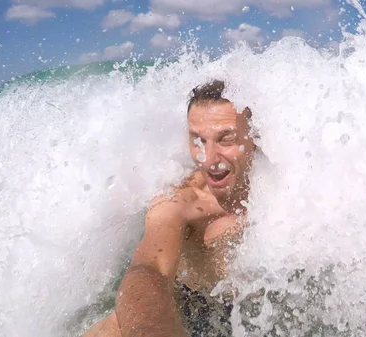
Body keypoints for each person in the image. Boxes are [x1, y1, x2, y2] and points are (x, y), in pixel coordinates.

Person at [82, 79, 257, 337]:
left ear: (255, 135)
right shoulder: (180, 202)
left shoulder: (289, 190)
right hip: (186, 309)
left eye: (226, 139)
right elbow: (148, 270)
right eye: (198, 141)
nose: (208, 159)